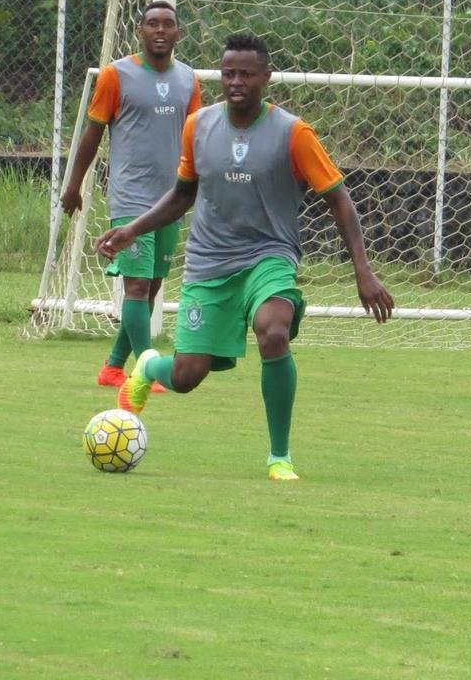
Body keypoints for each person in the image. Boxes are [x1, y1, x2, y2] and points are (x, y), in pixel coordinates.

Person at [95, 32, 395, 481]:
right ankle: (147, 367)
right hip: (209, 264)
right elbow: (182, 196)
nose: (235, 81)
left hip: (268, 257)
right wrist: (132, 229)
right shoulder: (198, 126)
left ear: (266, 77)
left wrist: (364, 272)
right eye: (228, 73)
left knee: (273, 332)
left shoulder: (293, 133)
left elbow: (340, 200)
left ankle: (279, 457)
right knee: (187, 374)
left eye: (246, 74)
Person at [61, 0, 202, 392]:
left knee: (152, 288)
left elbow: (196, 140)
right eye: (152, 23)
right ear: (140, 31)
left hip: (171, 200)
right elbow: (92, 133)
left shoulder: (189, 80)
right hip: (130, 198)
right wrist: (74, 185)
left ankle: (112, 367)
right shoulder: (116, 75)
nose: (160, 30)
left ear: (179, 33)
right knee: (136, 288)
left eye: (168, 24)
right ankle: (146, 369)